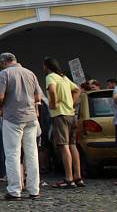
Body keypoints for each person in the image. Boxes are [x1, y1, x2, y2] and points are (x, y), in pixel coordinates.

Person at [0, 52, 43, 200]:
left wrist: (2, 105)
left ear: (3, 62)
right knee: (32, 154)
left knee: (13, 154)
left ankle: (15, 190)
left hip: (13, 117)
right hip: (31, 117)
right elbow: (38, 97)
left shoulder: (4, 74)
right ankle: (34, 190)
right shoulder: (30, 73)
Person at [43, 57, 83, 188]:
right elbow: (77, 90)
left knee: (63, 145)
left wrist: (53, 103)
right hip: (71, 114)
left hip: (60, 115)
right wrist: (71, 102)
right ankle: (78, 177)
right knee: (73, 145)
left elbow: (52, 90)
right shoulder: (64, 77)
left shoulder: (50, 77)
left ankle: (68, 178)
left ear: (46, 66)